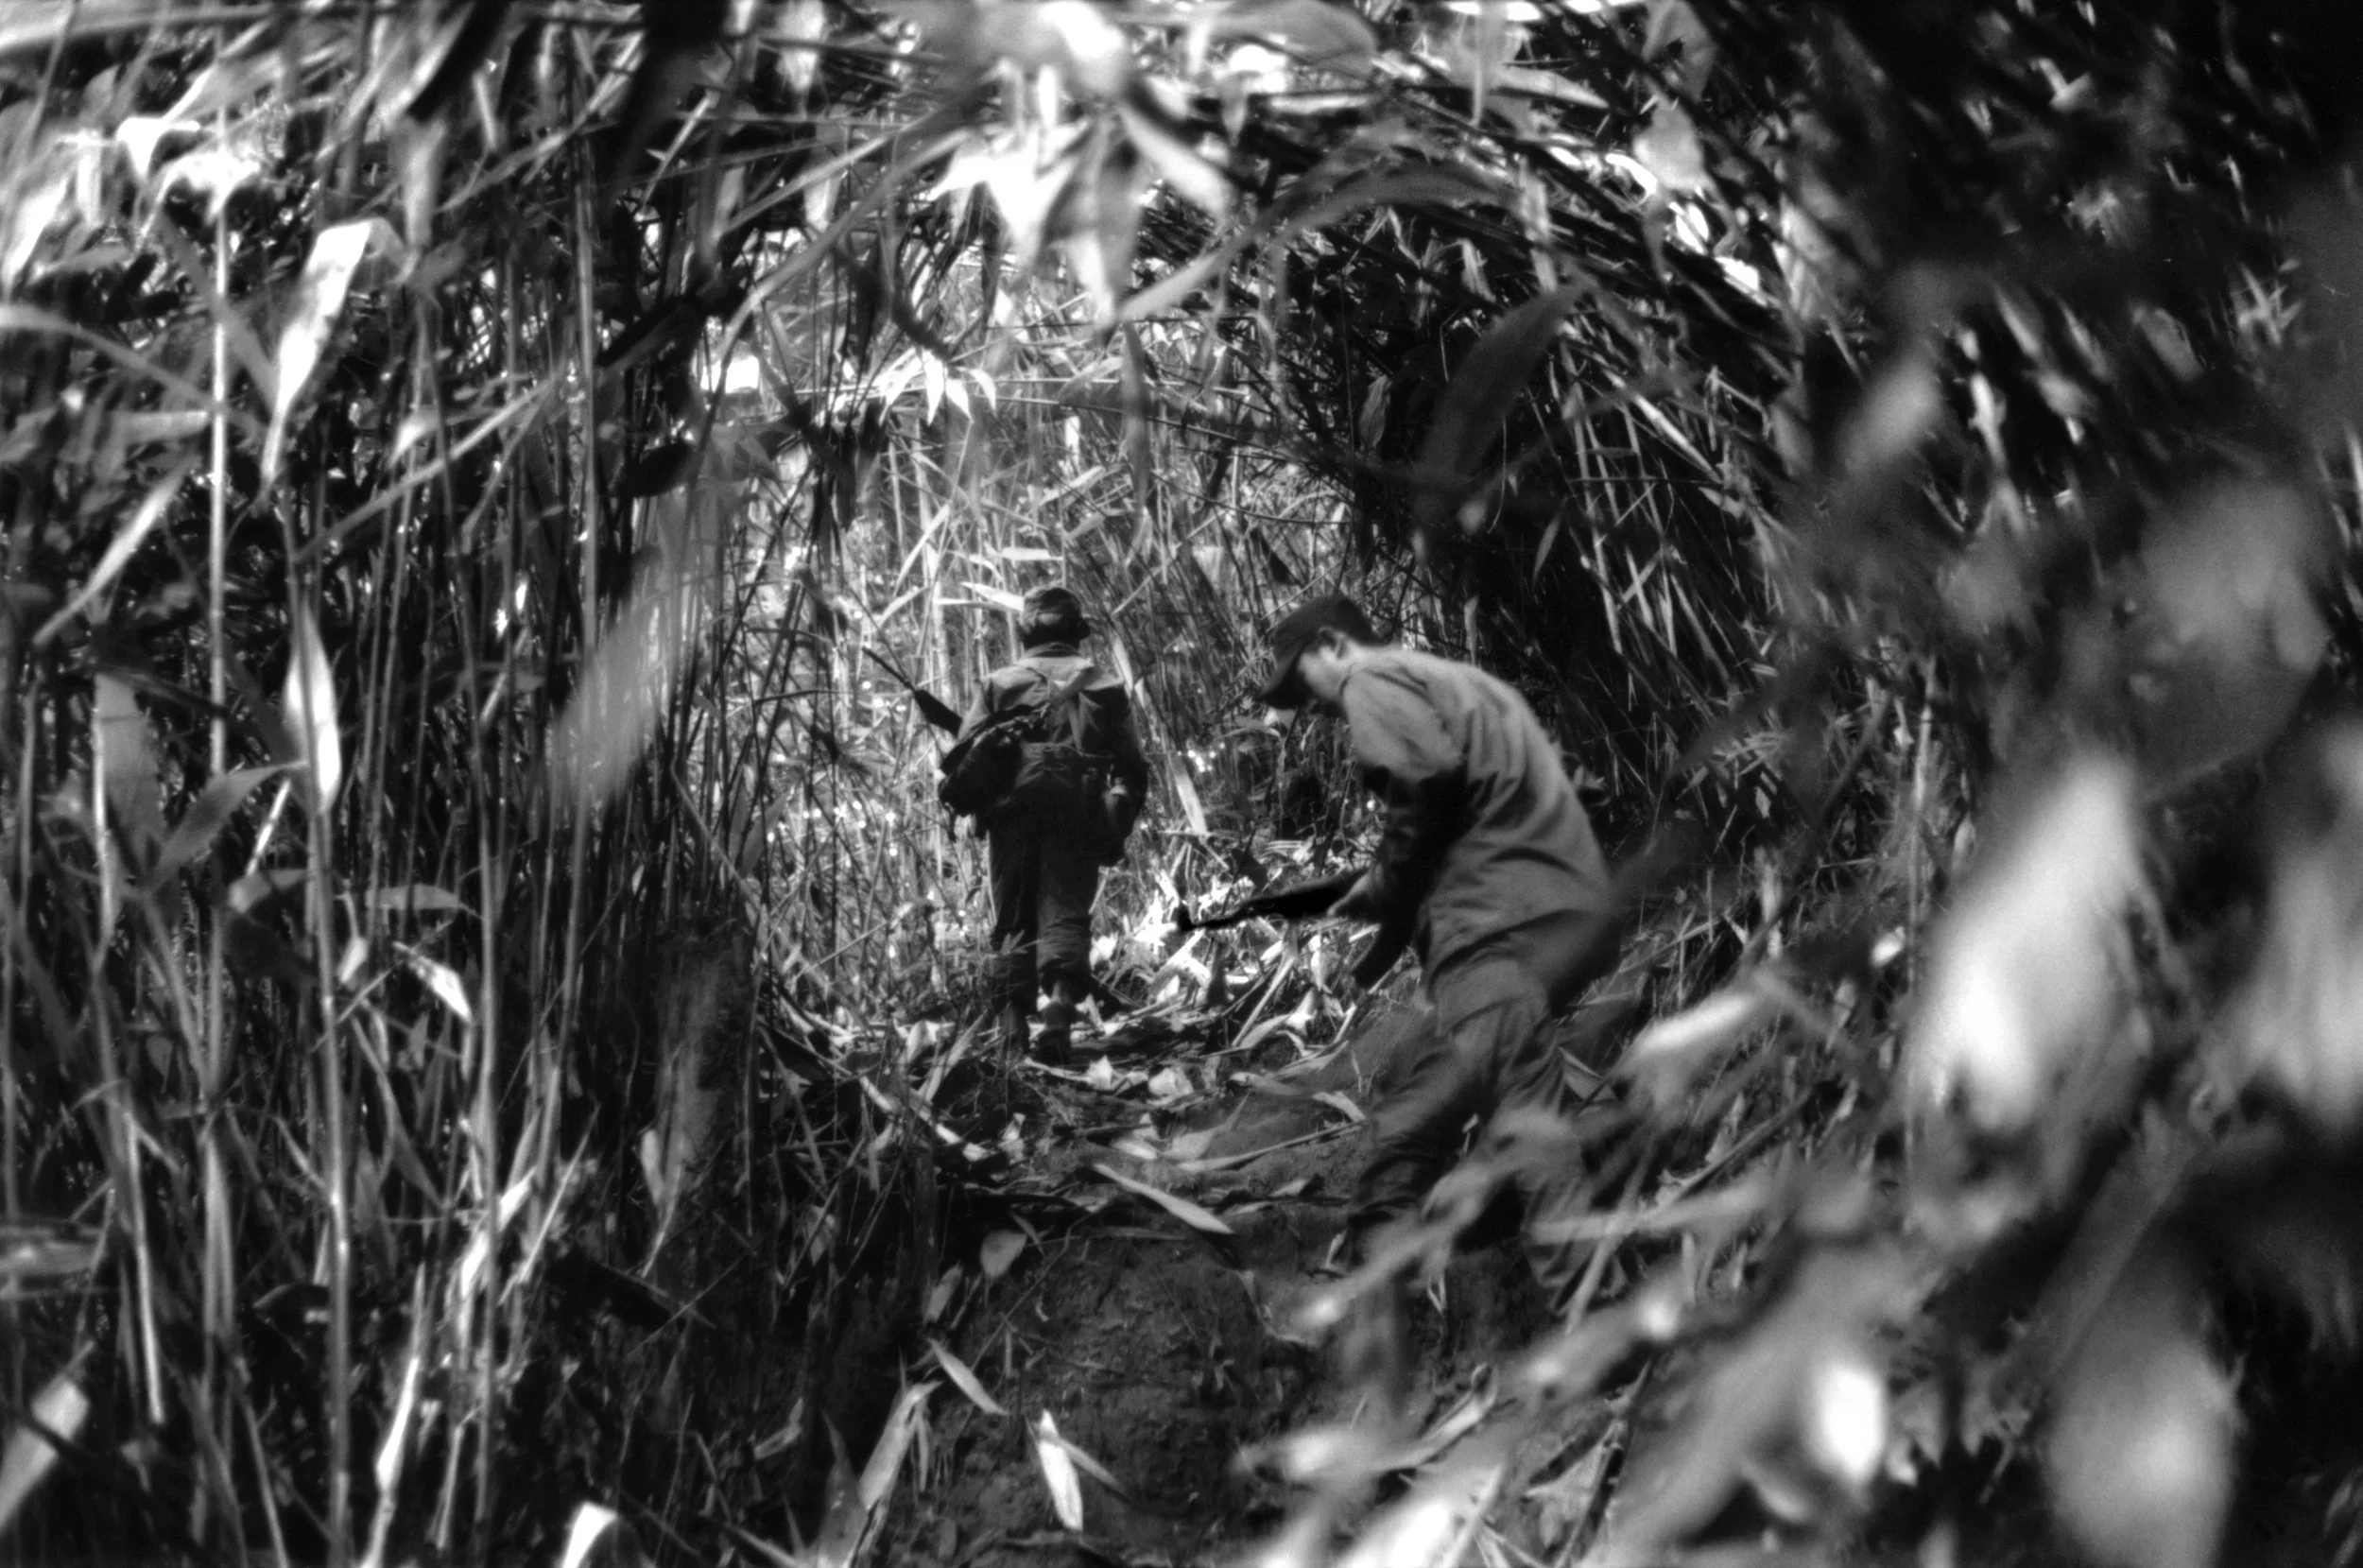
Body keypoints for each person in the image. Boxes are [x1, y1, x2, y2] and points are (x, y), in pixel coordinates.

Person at [1254, 593, 1619, 1318]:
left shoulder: (1374, 680)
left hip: (1492, 926)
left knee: (1517, 1102)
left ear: (1333, 645)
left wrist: (1384, 884)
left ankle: (1596, 1317)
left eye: (1305, 683)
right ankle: (1449, 1224)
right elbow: (1476, 797)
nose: (1313, 706)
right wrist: (1381, 906)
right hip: (1559, 906)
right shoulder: (1457, 681)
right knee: (1459, 1083)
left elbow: (1425, 785)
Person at [955, 585, 1150, 1062]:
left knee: (1013, 919)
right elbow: (1132, 767)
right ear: (1077, 635)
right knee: (1065, 911)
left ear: (1024, 633)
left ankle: (1012, 1029)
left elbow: (962, 760)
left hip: (1011, 817)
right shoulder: (1103, 685)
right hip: (1076, 812)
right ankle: (1060, 1007)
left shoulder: (998, 683)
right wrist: (1114, 818)